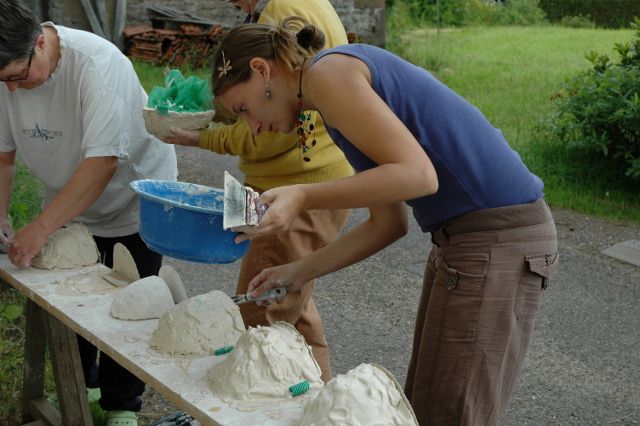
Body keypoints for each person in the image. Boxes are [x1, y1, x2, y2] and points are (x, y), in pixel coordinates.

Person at [209, 17, 559, 425]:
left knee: (447, 412)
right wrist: (297, 272)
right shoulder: (326, 94)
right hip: (466, 237)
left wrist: (302, 195)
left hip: (497, 235)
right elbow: (389, 222)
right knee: (426, 403)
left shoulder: (327, 73)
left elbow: (418, 175)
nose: (252, 126)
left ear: (261, 69)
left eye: (243, 108)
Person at [0, 0, 178, 424]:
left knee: (128, 304)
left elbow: (102, 163)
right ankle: (81, 388)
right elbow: (2, 156)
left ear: (40, 43)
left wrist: (41, 227)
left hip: (130, 196)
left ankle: (122, 407)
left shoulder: (96, 65)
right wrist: (2, 216)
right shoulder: (8, 72)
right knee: (71, 304)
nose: (12, 89)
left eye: (18, 78)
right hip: (69, 201)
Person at [162, 0, 352, 383]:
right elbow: (263, 115)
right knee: (293, 304)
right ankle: (321, 401)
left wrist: (204, 139)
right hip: (296, 179)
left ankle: (269, 405)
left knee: (260, 316)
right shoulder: (293, 6)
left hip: (293, 183)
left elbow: (270, 131)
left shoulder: (280, 12)